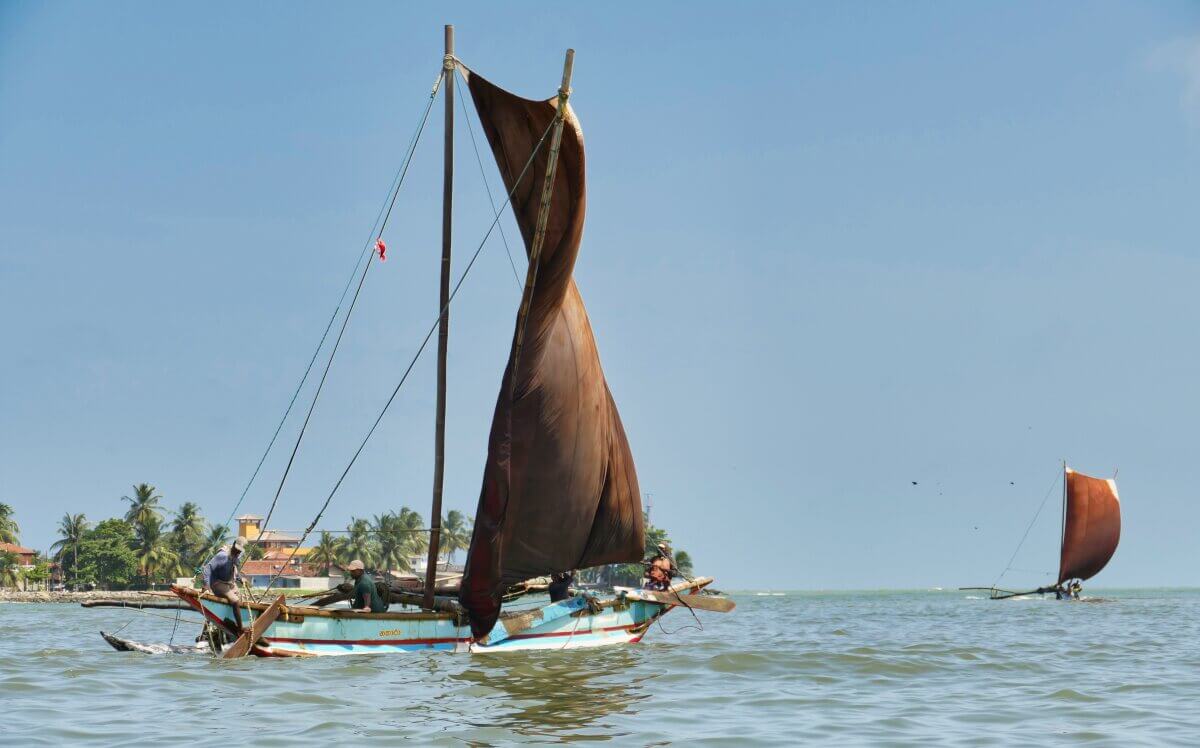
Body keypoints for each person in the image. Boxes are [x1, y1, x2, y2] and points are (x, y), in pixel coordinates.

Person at [202, 536, 246, 631]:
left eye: (240, 551)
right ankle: (240, 629)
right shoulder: (222, 555)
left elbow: (234, 570)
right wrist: (206, 585)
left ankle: (226, 621)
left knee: (242, 599)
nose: (238, 552)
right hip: (218, 584)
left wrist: (240, 579)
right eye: (237, 549)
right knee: (235, 601)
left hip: (229, 584)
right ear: (234, 544)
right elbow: (207, 568)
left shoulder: (237, 556)